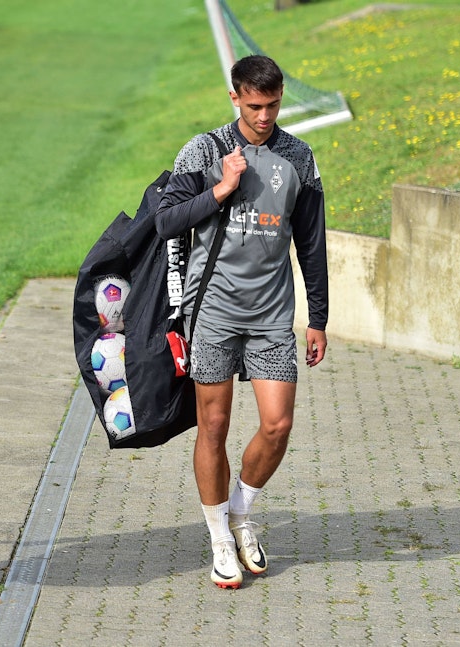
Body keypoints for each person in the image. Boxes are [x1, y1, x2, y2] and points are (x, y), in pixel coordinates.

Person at [155, 55, 328, 589]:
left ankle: (240, 511)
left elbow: (312, 242)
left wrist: (317, 316)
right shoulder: (203, 150)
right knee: (214, 427)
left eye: (273, 105)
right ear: (234, 97)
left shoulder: (298, 155)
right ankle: (219, 540)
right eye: (254, 106)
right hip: (212, 314)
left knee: (278, 426)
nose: (264, 117)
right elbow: (165, 222)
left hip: (273, 315)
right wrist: (221, 190)